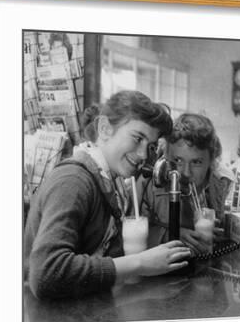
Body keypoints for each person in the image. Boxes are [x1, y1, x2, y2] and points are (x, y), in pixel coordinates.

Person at [24, 91, 191, 299]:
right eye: (137, 138)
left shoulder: (110, 180)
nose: (142, 155)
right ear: (104, 129)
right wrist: (140, 263)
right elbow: (46, 274)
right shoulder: (74, 180)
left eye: (150, 147)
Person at [138, 113, 234, 256]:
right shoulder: (148, 184)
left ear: (211, 162)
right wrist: (171, 234)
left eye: (196, 162)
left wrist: (222, 234)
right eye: (178, 160)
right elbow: (132, 232)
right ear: (166, 156)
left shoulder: (222, 185)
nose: (186, 173)